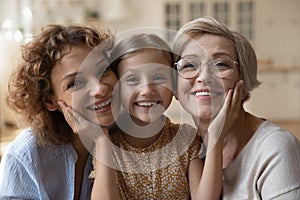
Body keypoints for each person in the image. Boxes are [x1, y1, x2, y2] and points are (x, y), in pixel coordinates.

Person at [87, 33, 242, 200]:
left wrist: (216, 136)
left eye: (159, 77)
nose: (147, 90)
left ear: (174, 85)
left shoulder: (185, 138)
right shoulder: (107, 147)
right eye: (132, 79)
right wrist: (103, 143)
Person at [173, 16, 300, 199]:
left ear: (243, 81)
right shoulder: (186, 150)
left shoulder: (275, 148)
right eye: (189, 65)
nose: (204, 76)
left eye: (220, 64)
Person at [0, 24, 118, 200]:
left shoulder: (134, 140)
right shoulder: (26, 156)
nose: (100, 88)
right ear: (50, 101)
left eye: (103, 70)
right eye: (75, 83)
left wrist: (103, 143)